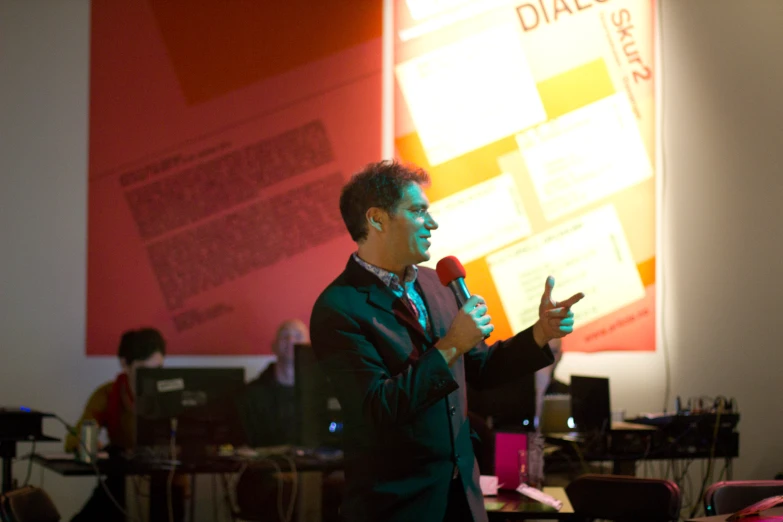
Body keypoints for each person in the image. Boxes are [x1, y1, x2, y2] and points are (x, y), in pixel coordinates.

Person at [309, 160, 585, 522]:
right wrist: (451, 344)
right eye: (418, 211)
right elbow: (377, 407)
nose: (433, 223)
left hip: (463, 499)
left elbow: (481, 369)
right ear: (376, 219)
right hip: (396, 505)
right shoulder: (339, 307)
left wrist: (539, 334)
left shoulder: (435, 285)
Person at [66, 328, 175, 522]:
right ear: (125, 364)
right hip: (123, 478)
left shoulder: (171, 395)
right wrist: (87, 443)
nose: (152, 377)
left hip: (164, 480)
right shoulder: (109, 394)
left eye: (158, 370)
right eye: (145, 370)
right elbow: (79, 432)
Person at [236, 319, 309, 447]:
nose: (291, 341)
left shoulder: (323, 396)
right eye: (285, 336)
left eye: (298, 336)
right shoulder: (249, 397)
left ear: (309, 347)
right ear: (274, 346)